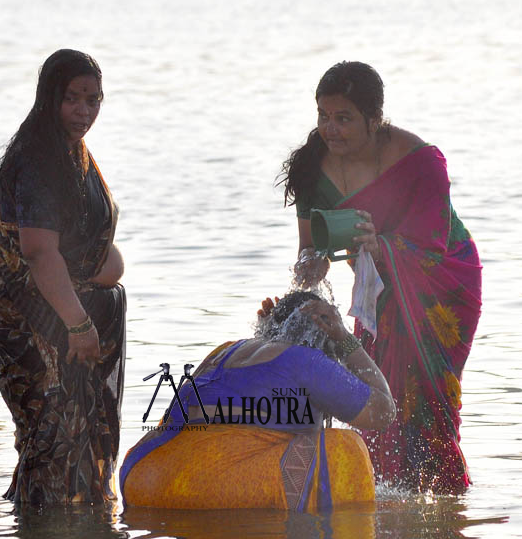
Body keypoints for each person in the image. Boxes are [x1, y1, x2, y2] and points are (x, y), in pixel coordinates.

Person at [280, 61, 482, 493]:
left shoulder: (417, 161)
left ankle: (443, 495)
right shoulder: (313, 168)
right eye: (323, 116)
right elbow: (307, 253)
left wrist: (380, 245)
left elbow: (433, 243)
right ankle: (386, 486)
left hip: (442, 283)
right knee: (376, 383)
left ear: (375, 120)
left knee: (428, 393)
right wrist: (312, 268)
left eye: (344, 118)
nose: (330, 130)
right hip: (377, 290)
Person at [0, 49, 126, 505]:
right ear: (50, 99)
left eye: (93, 100)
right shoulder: (39, 160)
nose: (84, 112)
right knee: (50, 450)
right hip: (38, 329)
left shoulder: (72, 154)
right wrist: (79, 325)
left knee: (71, 458)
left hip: (68, 326)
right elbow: (40, 252)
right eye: (72, 99)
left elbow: (79, 240)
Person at [119, 291, 397, 511]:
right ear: (322, 334)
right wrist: (345, 339)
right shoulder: (306, 360)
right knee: (345, 448)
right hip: (199, 491)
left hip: (142, 478)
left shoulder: (228, 349)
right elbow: (384, 410)